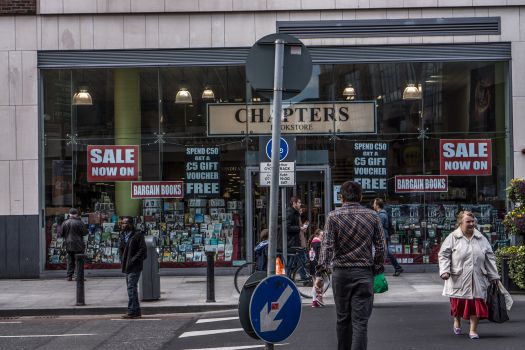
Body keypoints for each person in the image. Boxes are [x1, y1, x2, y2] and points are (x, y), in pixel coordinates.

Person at [315, 181, 385, 350]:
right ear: (360, 197)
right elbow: (381, 247)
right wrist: (376, 268)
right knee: (360, 322)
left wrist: (320, 273)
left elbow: (327, 246)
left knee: (343, 319)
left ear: (341, 198)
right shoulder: (372, 216)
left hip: (341, 274)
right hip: (363, 273)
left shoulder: (333, 216)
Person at [438, 211, 500, 339]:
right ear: (460, 222)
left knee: (476, 303)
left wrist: (493, 275)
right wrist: (444, 270)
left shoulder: (481, 238)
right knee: (458, 304)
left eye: (473, 221)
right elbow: (443, 255)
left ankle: (473, 330)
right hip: (458, 277)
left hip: (477, 277)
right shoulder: (452, 237)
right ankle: (457, 320)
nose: (471, 224)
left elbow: (489, 257)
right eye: (468, 222)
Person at [119, 217, 147, 319]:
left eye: (124, 223)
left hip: (134, 266)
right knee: (131, 289)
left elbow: (143, 250)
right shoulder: (123, 235)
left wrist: (133, 260)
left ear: (130, 224)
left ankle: (132, 311)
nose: (122, 225)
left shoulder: (137, 235)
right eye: (122, 223)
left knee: (131, 288)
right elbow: (122, 250)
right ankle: (136, 311)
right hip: (127, 265)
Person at [373, 198, 403, 277]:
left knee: (386, 253)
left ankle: (397, 267)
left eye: (374, 203)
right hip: (384, 236)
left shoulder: (382, 215)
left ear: (377, 205)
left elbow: (379, 227)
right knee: (386, 253)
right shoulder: (381, 213)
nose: (373, 205)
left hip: (383, 236)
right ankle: (397, 267)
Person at [60, 208, 87, 281]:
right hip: (78, 244)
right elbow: (85, 232)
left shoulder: (65, 222)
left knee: (70, 260)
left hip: (68, 244)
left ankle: (69, 276)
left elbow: (61, 234)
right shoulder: (80, 222)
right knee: (78, 260)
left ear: (69, 214)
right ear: (76, 214)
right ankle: (78, 276)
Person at [287, 197, 308, 279]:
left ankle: (289, 277)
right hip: (293, 242)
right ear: (294, 203)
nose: (300, 204)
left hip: (296, 241)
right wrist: (300, 228)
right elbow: (288, 227)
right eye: (299, 202)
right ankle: (303, 278)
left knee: (297, 260)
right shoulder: (290, 212)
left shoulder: (296, 213)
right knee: (300, 260)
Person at [309, 228, 324, 308]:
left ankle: (314, 301)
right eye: (322, 235)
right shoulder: (318, 243)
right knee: (322, 282)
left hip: (312, 265)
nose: (323, 237)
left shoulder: (312, 243)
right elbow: (319, 256)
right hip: (317, 265)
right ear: (317, 235)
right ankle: (319, 297)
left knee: (315, 283)